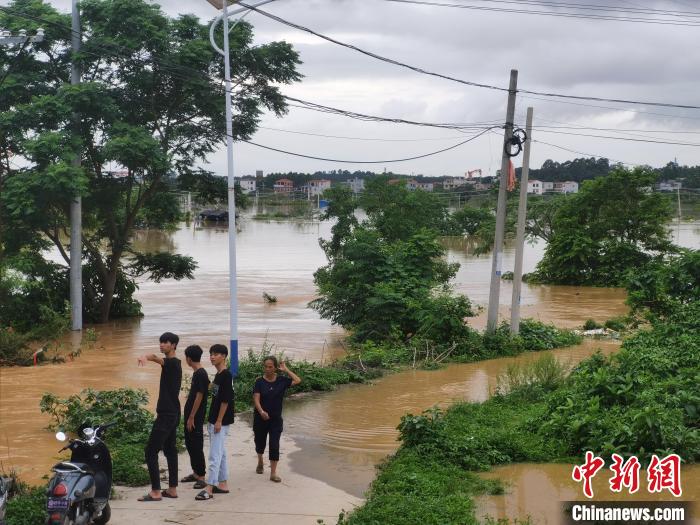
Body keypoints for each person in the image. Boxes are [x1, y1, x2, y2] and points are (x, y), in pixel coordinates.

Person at [137, 332, 182, 502]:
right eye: (161, 342)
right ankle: (172, 489)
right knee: (170, 450)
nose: (162, 344)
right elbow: (158, 357)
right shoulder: (175, 363)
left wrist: (145, 357)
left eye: (166, 342)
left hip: (166, 415)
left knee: (150, 451)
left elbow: (156, 358)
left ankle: (156, 491)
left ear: (174, 345)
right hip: (173, 413)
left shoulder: (171, 363)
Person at [252, 356, 301, 483]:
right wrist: (261, 411)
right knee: (259, 443)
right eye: (265, 366)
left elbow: (297, 380)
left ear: (275, 368)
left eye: (270, 367)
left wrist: (286, 369)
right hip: (260, 418)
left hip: (275, 420)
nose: (267, 369)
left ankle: (273, 473)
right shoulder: (259, 382)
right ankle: (260, 461)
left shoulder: (281, 380)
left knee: (274, 445)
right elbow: (256, 398)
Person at [196, 344, 234, 501]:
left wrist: (218, 421)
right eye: (211, 354)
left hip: (220, 421)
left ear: (224, 356)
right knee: (221, 453)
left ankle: (210, 488)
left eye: (216, 354)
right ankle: (223, 484)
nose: (212, 356)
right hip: (215, 419)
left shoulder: (226, 375)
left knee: (214, 455)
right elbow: (217, 395)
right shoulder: (219, 375)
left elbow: (226, 400)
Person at [180, 345, 210, 490]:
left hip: (195, 418)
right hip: (191, 416)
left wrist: (191, 417)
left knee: (196, 445)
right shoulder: (198, 373)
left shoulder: (201, 374)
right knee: (190, 444)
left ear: (188, 359)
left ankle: (202, 477)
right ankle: (195, 473)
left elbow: (200, 395)